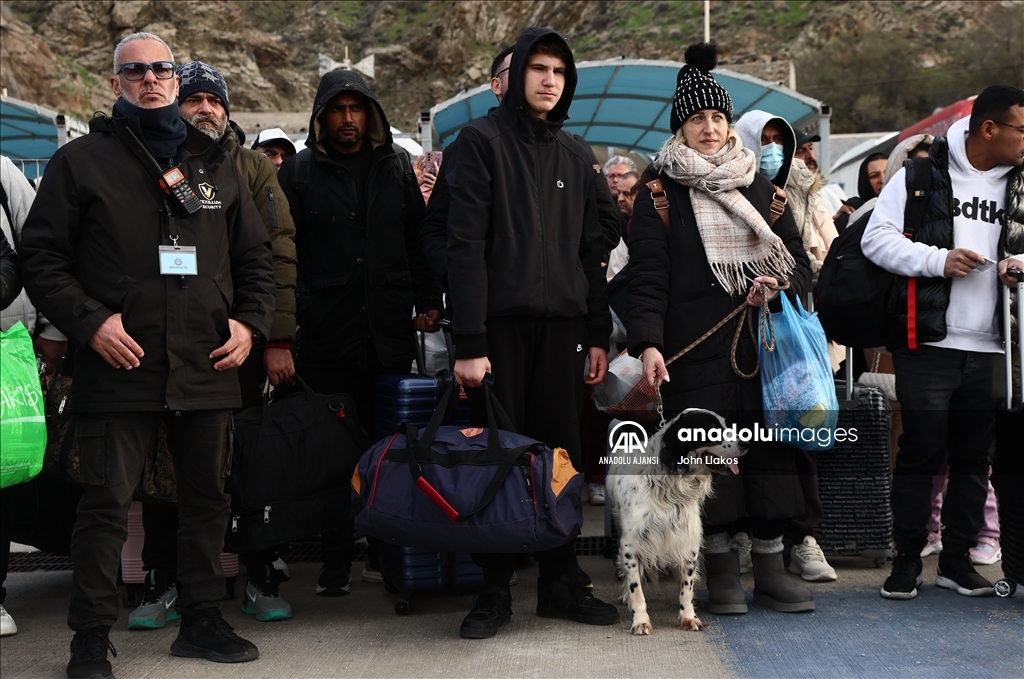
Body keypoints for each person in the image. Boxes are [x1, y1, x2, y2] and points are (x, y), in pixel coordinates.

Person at [19, 32, 275, 677]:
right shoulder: (81, 162)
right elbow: (41, 258)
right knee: (105, 505)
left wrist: (249, 323)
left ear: (176, 81)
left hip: (206, 360)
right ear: (116, 84)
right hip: (119, 361)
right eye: (135, 72)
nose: (151, 79)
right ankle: (89, 637)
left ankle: (203, 620)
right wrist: (90, 323)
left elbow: (255, 257)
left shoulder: (215, 161)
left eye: (162, 69)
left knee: (207, 500)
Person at [445, 26, 619, 639]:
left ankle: (559, 580)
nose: (550, 80)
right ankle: (493, 588)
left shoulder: (576, 153)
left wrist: (597, 332)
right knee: (498, 454)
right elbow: (463, 245)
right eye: (538, 68)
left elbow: (594, 250)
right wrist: (469, 343)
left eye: (559, 72)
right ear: (515, 74)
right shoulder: (479, 142)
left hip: (565, 329)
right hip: (498, 332)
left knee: (560, 455)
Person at [628, 42, 814, 615]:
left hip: (763, 349)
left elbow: (801, 266)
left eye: (717, 117)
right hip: (694, 352)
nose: (708, 129)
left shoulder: (764, 189)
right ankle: (721, 573)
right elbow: (648, 275)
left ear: (729, 123)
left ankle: (772, 569)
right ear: (680, 128)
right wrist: (648, 343)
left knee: (770, 456)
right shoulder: (659, 193)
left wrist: (776, 284)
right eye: (696, 120)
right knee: (707, 460)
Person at [125, 60, 300, 630]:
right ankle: (162, 578)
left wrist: (271, 335)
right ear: (176, 105)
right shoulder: (150, 160)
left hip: (237, 346)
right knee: (161, 468)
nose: (204, 109)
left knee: (248, 463)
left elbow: (275, 252)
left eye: (214, 101)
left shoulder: (250, 166)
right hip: (162, 346)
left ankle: (260, 571)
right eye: (194, 99)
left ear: (227, 111)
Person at [277, 69, 443, 594]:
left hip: (387, 335)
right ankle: (334, 559)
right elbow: (283, 251)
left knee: (388, 449)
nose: (347, 119)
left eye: (356, 108)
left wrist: (428, 299)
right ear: (321, 115)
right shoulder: (299, 172)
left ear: (370, 113)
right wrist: (301, 309)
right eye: (337, 109)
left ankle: (384, 552)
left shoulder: (395, 166)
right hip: (325, 337)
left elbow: (418, 238)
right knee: (330, 454)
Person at [862, 85, 1024, 600]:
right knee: (921, 454)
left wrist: (1018, 267)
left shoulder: (1021, 183)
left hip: (995, 345)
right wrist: (939, 260)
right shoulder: (921, 174)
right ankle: (907, 562)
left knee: (976, 461)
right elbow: (875, 239)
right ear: (990, 128)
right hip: (928, 340)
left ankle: (957, 562)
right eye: (1023, 130)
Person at [834, 153, 888, 232]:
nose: (882, 179)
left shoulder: (906, 206)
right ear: (865, 181)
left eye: (887, 172)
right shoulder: (853, 212)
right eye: (874, 176)